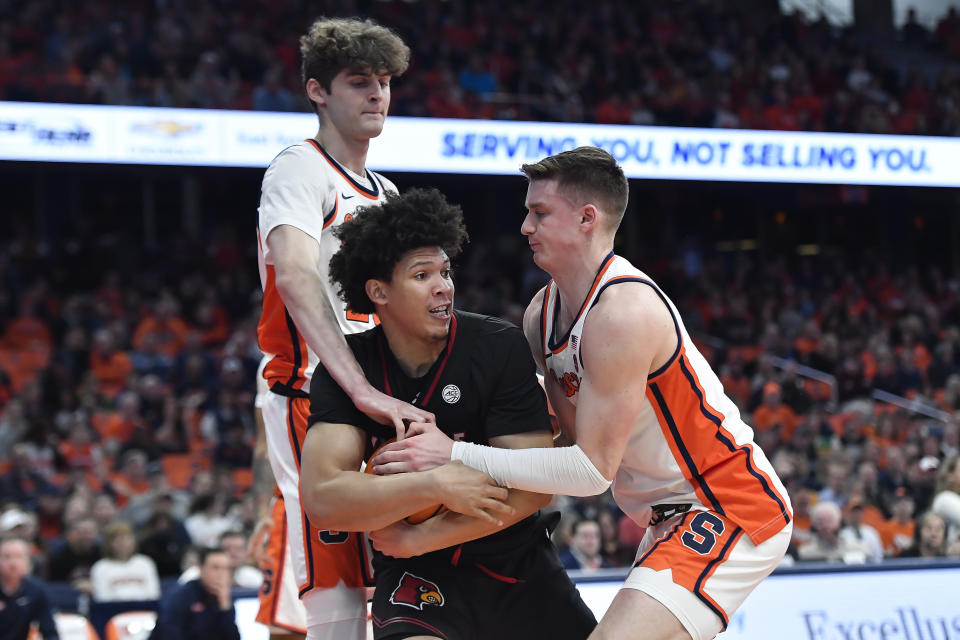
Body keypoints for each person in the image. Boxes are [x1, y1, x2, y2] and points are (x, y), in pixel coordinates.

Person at [377, 147, 792, 640]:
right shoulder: (542, 313)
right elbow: (558, 444)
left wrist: (455, 454)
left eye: (540, 213)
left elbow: (590, 471)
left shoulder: (624, 310)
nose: (526, 227)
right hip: (663, 516)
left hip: (727, 503)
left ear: (586, 219)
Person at [300, 188, 597, 640]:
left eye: (445, 270)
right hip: (418, 577)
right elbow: (322, 498)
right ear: (378, 291)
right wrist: (433, 483)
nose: (444, 285)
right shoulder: (349, 368)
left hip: (514, 563)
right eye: (422, 275)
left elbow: (537, 488)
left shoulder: (496, 346)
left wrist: (423, 534)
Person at [255, 16, 432, 639]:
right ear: (317, 91)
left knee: (389, 578)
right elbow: (296, 276)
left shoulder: (383, 192)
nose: (377, 94)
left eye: (384, 82)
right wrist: (358, 387)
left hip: (372, 399)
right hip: (312, 390)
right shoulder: (300, 169)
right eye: (360, 82)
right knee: (333, 598)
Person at [249, 355, 306, 638]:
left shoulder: (364, 343)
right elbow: (264, 445)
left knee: (362, 620)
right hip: (290, 504)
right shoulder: (270, 364)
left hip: (348, 496)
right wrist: (262, 515)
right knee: (285, 625)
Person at [149, 546, 240, 640]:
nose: (221, 574)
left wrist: (225, 608)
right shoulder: (179, 597)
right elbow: (168, 634)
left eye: (227, 569)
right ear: (201, 569)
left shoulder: (225, 599)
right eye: (215, 568)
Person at [0, 536, 59, 640]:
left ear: (28, 561)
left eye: (19, 556)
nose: (13, 563)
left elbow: (50, 632)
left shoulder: (36, 590)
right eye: (6, 557)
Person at [90, 520, 161, 601]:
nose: (122, 543)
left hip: (144, 610)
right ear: (109, 544)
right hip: (113, 611)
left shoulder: (145, 562)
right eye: (117, 540)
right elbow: (102, 598)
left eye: (126, 538)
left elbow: (154, 594)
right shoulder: (100, 567)